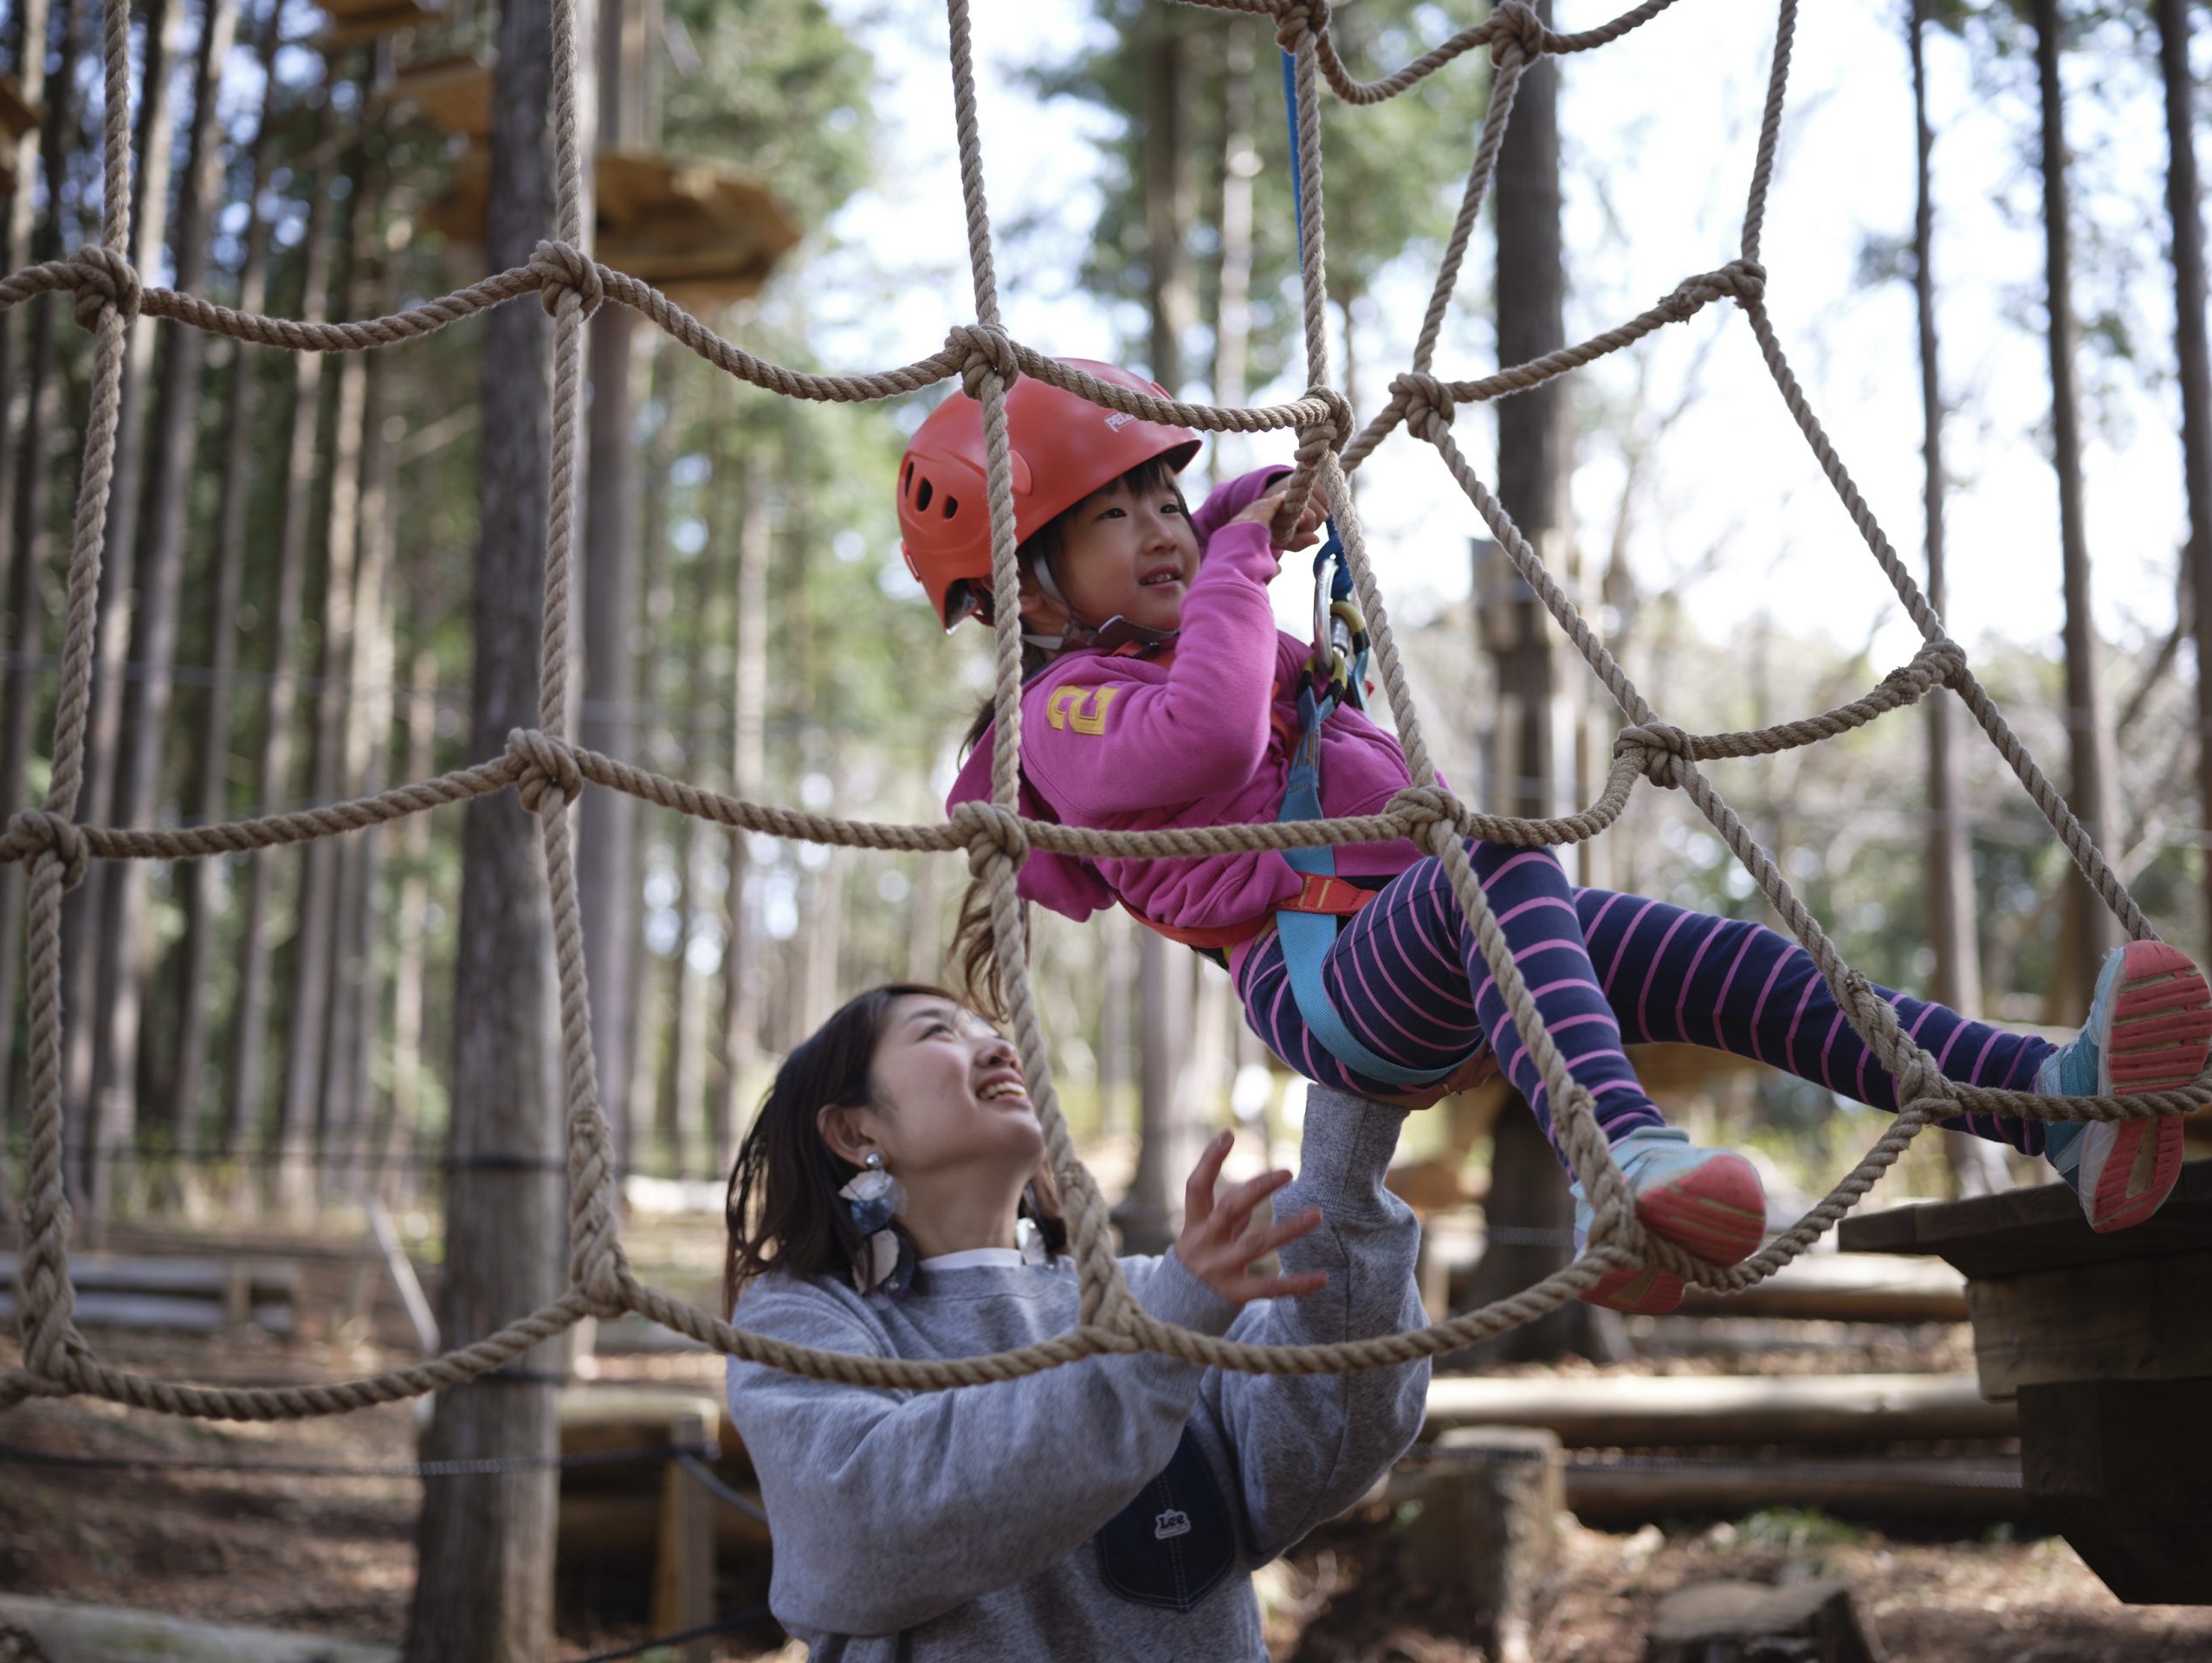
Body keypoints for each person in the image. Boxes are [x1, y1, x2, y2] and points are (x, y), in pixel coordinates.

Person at [899, 360, 2212, 1315]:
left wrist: (1250, 508)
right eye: (1111, 517)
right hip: (1333, 977)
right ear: (1026, 591)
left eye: (1165, 502)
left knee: (1733, 970)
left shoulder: (1184, 614)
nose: (1162, 533)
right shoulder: (1056, 712)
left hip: (1433, 942)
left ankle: (2046, 1105)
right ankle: (1623, 1161)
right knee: (1495, 849)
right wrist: (1241, 562)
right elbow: (1197, 737)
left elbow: (1224, 634)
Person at [721, 985, 1429, 1658]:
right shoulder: (800, 1320)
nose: (999, 1049)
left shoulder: (1151, 1292)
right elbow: (865, 1530)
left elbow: (1326, 1447)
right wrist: (1159, 1338)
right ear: (853, 1130)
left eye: (993, 1033)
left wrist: (1354, 1104)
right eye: (939, 1032)